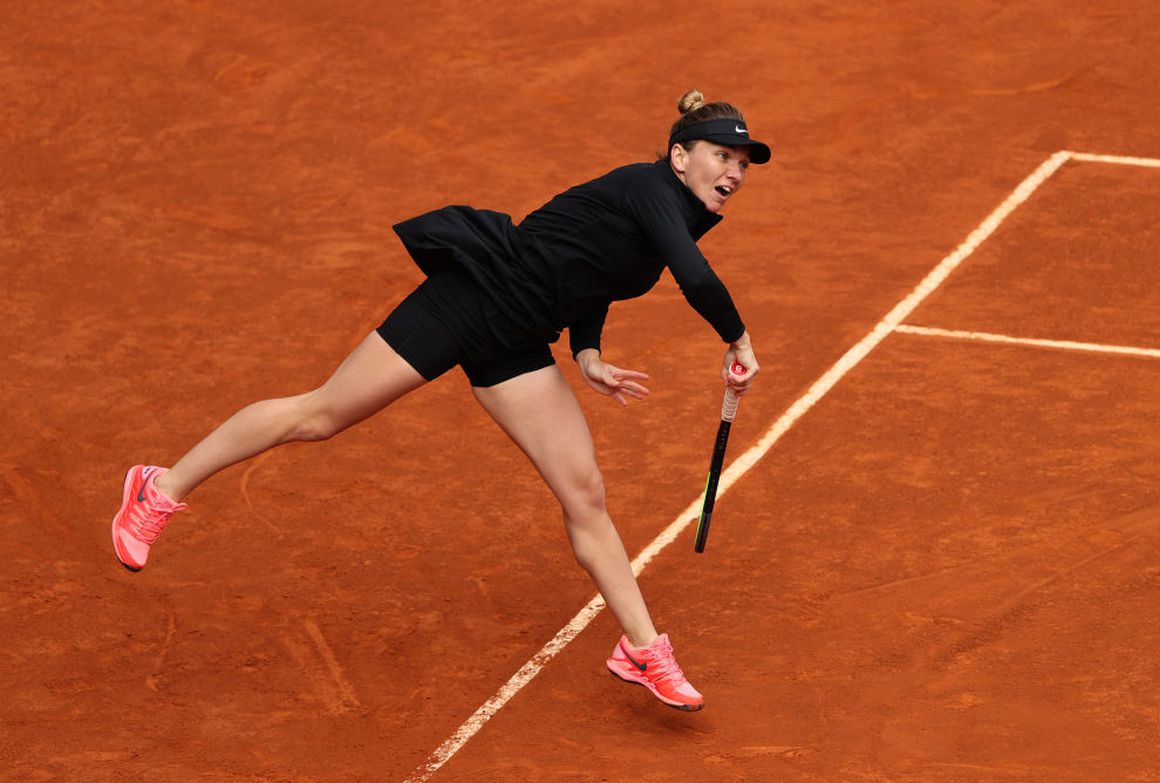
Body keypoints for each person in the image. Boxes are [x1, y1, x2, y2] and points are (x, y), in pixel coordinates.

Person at [110, 88, 769, 712]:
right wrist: (737, 338)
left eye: (743, 164)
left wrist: (587, 352)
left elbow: (596, 273)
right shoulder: (651, 185)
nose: (735, 172)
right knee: (321, 415)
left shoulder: (687, 213)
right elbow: (693, 279)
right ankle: (158, 486)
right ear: (681, 155)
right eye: (723, 156)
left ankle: (642, 648)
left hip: (519, 338)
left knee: (584, 493)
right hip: (475, 296)